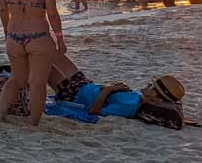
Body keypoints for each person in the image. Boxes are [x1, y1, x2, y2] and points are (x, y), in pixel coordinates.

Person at [0, 0, 65, 126]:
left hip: (14, 38)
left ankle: (1, 114)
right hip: (38, 38)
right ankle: (34, 122)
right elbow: (52, 15)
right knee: (37, 82)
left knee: (16, 79)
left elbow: (3, 11)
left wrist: (7, 33)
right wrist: (59, 38)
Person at [49, 52, 188, 129]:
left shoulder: (129, 107)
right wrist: (114, 87)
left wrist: (107, 90)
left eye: (152, 87)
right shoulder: (139, 97)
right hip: (86, 84)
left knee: (42, 60)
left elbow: (94, 112)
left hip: (74, 94)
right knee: (51, 50)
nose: (148, 85)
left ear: (157, 99)